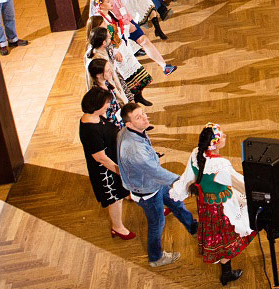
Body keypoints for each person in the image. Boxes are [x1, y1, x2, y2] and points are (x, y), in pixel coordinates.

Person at [169, 124, 253, 286]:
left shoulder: (196, 154)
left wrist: (178, 192)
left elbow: (188, 177)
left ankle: (226, 272)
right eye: (222, 135)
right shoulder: (219, 164)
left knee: (216, 236)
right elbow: (238, 184)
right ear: (213, 144)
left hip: (206, 205)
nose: (225, 136)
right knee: (231, 235)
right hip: (222, 207)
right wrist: (255, 191)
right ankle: (226, 272)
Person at [116, 103, 198, 267]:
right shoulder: (135, 151)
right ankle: (156, 258)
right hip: (147, 191)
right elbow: (156, 172)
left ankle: (193, 227)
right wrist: (184, 182)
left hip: (152, 183)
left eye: (143, 113)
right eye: (138, 117)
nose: (145, 118)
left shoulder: (126, 132)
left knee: (175, 201)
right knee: (157, 224)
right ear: (129, 124)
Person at [79, 87, 134, 240]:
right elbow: (100, 158)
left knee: (121, 191)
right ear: (96, 105)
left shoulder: (97, 116)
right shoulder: (90, 130)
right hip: (105, 171)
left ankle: (127, 194)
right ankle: (117, 227)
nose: (109, 105)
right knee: (114, 197)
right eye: (106, 103)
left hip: (113, 160)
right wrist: (119, 171)